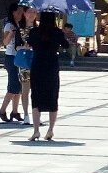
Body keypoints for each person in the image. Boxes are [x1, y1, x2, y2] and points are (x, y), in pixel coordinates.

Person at [26, 9, 73, 142]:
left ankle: (36, 130)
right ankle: (50, 129)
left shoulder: (34, 31)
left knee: (36, 96)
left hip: (37, 65)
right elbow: (66, 45)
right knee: (53, 96)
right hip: (52, 66)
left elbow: (29, 44)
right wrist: (61, 34)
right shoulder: (57, 32)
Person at [0, 8, 26, 122]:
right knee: (13, 86)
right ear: (13, 13)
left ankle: (15, 112)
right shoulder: (9, 25)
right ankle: (2, 111)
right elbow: (5, 42)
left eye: (21, 12)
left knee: (19, 86)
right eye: (18, 12)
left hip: (19, 56)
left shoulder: (20, 25)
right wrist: (11, 33)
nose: (20, 14)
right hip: (11, 57)